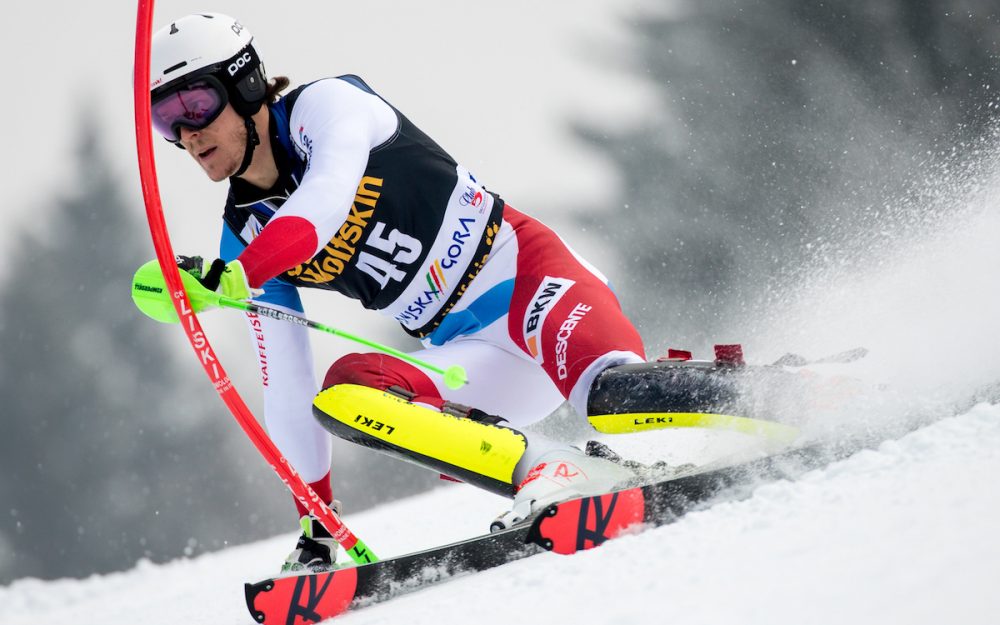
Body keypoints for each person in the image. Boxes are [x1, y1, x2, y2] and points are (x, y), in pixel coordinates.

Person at [148, 13, 650, 573]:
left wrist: (241, 273)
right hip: (473, 363)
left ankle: (753, 397)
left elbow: (325, 200)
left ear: (244, 86)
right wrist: (315, 522)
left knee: (617, 398)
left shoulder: (329, 108)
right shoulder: (243, 233)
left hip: (532, 285)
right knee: (345, 393)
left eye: (195, 104)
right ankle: (554, 467)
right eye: (165, 119)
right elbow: (285, 383)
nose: (187, 133)